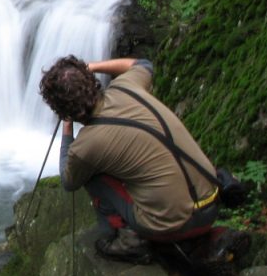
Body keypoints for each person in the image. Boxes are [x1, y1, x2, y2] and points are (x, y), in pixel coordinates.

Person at [38, 55, 223, 264]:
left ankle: (128, 241)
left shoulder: (86, 146)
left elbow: (68, 180)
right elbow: (144, 64)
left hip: (176, 225)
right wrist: (91, 67)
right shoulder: (127, 85)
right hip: (213, 202)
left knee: (92, 176)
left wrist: (67, 127)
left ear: (60, 108)